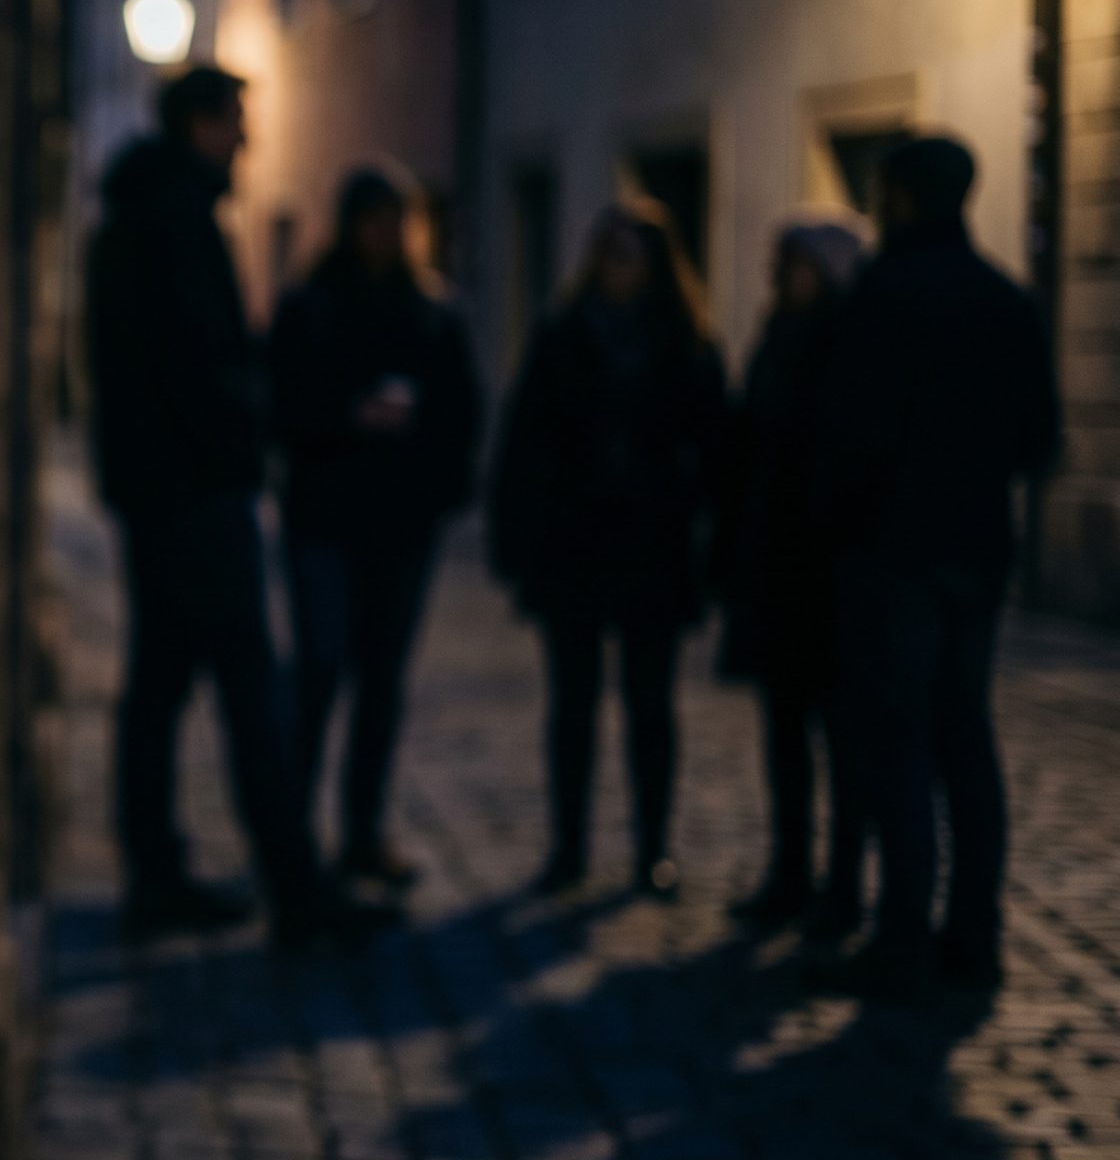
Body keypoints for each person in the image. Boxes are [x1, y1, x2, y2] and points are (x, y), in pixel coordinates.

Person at [84, 65, 344, 945]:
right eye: (236, 121)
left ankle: (159, 875)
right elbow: (200, 372)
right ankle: (296, 889)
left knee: (159, 688)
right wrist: (245, 443)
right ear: (200, 125)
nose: (247, 140)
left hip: (160, 496)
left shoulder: (138, 217)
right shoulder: (176, 223)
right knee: (251, 691)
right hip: (195, 498)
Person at [816, 135, 1061, 993]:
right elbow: (1040, 440)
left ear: (905, 198)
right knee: (966, 734)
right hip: (977, 546)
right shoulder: (1005, 298)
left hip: (894, 550)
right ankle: (975, 930)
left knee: (902, 740)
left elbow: (845, 433)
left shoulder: (882, 296)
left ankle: (903, 933)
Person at [488, 200, 729, 899]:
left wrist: (702, 524)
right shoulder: (562, 335)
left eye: (630, 254)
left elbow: (715, 448)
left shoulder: (685, 342)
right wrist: (519, 540)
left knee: (650, 706)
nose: (617, 267)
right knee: (572, 705)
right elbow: (523, 442)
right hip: (574, 548)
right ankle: (569, 846)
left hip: (652, 548)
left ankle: (652, 845)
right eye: (608, 252)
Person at [267, 165, 480, 888]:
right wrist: (348, 417)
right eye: (376, 219)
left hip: (401, 526)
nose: (387, 234)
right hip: (326, 522)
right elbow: (284, 406)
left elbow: (460, 414)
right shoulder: (312, 306)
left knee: (382, 684)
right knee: (322, 671)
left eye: (399, 220)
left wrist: (433, 472)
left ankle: (363, 829)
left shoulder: (432, 311)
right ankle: (291, 833)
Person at [718, 218, 867, 934]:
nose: (779, 274)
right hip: (776, 567)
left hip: (831, 573)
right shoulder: (775, 336)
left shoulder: (849, 344)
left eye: (792, 262)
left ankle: (841, 884)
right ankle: (790, 871)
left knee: (841, 739)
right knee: (783, 736)